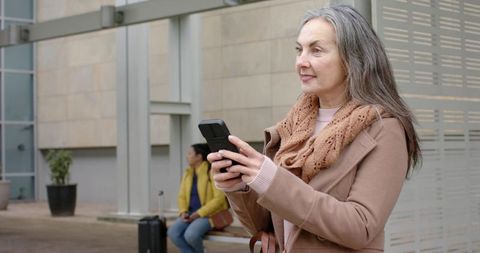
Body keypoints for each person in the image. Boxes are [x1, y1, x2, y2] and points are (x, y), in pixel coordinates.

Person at [208, 5, 421, 253]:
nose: (301, 62)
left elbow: (362, 227)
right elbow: (266, 224)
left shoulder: (384, 128)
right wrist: (241, 185)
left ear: (353, 59)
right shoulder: (293, 126)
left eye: (316, 50)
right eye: (299, 50)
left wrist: (272, 180)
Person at [167, 143, 229, 253]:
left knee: (190, 235)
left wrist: (199, 213)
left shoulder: (211, 171)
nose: (187, 156)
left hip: (209, 215)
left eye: (190, 153)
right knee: (173, 233)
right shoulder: (188, 173)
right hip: (190, 214)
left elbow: (219, 199)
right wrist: (183, 212)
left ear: (199, 156)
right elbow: (181, 197)